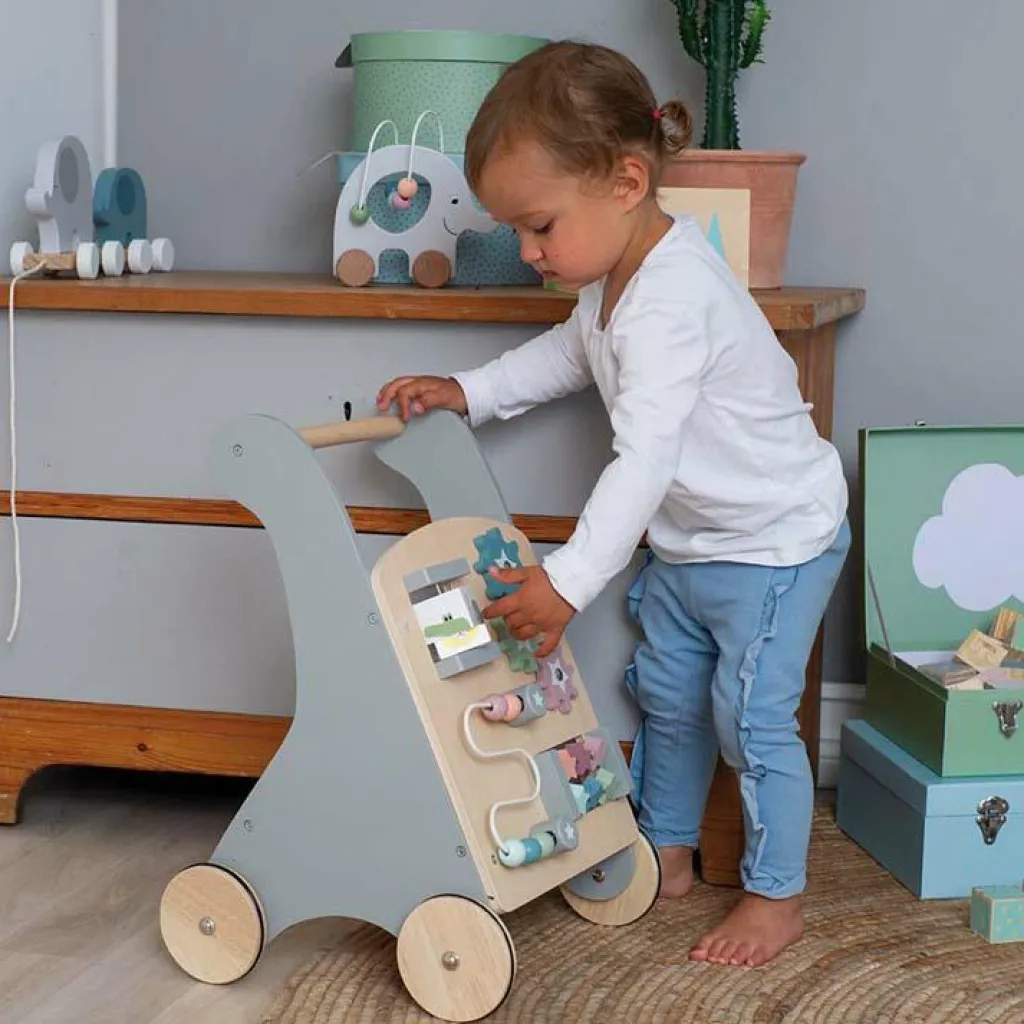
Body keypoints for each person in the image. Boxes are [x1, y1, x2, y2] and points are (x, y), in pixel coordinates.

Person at [376, 40, 850, 968]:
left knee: (749, 716)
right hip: (691, 546)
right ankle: (663, 850)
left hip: (774, 543)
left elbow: (644, 459)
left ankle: (775, 894)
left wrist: (567, 581)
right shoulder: (610, 284)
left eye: (539, 227)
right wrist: (469, 393)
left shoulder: (673, 299)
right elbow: (566, 356)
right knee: (667, 698)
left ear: (628, 181)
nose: (527, 252)